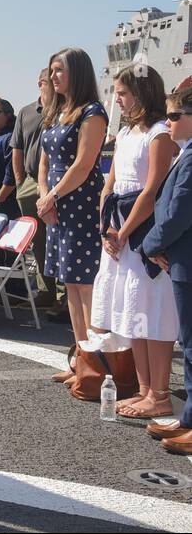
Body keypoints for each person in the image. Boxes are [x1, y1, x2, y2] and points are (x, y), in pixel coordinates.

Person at [88, 65, 177, 419]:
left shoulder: (159, 133)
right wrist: (105, 228)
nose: (117, 100)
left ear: (141, 93)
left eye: (123, 93)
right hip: (118, 230)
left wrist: (123, 234)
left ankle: (160, 392)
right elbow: (109, 185)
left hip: (141, 231)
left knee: (154, 312)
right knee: (132, 310)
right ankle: (144, 390)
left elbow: (152, 190)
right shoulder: (125, 133)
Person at [38, 47, 108, 379]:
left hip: (81, 205)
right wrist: (44, 199)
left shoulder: (92, 113)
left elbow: (83, 164)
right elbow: (43, 162)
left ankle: (95, 365)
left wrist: (51, 197)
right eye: (51, 70)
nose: (53, 77)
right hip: (56, 207)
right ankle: (80, 359)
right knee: (70, 284)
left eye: (59, 70)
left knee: (86, 286)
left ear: (77, 73)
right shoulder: (55, 112)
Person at [140, 86, 192, 452]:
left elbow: (178, 213)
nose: (167, 122)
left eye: (174, 116)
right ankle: (189, 418)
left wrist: (150, 244)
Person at [11, 68, 62, 316]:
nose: (52, 86)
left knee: (59, 237)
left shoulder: (66, 111)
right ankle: (45, 291)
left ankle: (62, 296)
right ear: (40, 83)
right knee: (38, 241)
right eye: (48, 82)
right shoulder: (27, 113)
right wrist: (21, 182)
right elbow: (17, 149)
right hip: (31, 182)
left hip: (59, 183)